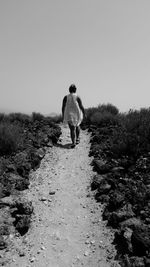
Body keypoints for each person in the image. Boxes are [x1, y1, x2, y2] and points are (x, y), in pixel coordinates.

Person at [62, 84, 85, 148]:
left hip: (69, 114)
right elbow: (81, 106)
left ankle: (73, 142)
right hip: (77, 114)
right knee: (77, 126)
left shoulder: (65, 97)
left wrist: (63, 115)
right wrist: (84, 113)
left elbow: (63, 107)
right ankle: (77, 139)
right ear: (75, 90)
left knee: (72, 129)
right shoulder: (77, 96)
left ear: (69, 90)